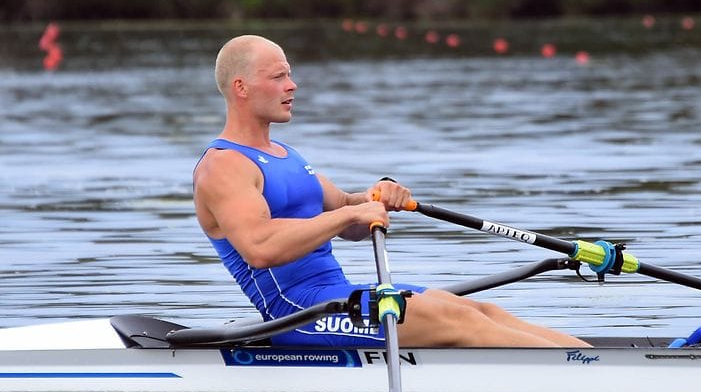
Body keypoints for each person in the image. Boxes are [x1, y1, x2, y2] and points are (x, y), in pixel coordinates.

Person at [193, 34, 590, 348]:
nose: (292, 85)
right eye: (278, 76)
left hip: (336, 296)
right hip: (297, 313)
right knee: (456, 321)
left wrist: (373, 197)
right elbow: (260, 249)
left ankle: (590, 360)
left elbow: (347, 212)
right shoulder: (223, 166)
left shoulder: (284, 154)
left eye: (289, 74)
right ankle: (586, 377)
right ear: (241, 87)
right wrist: (350, 214)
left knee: (477, 310)